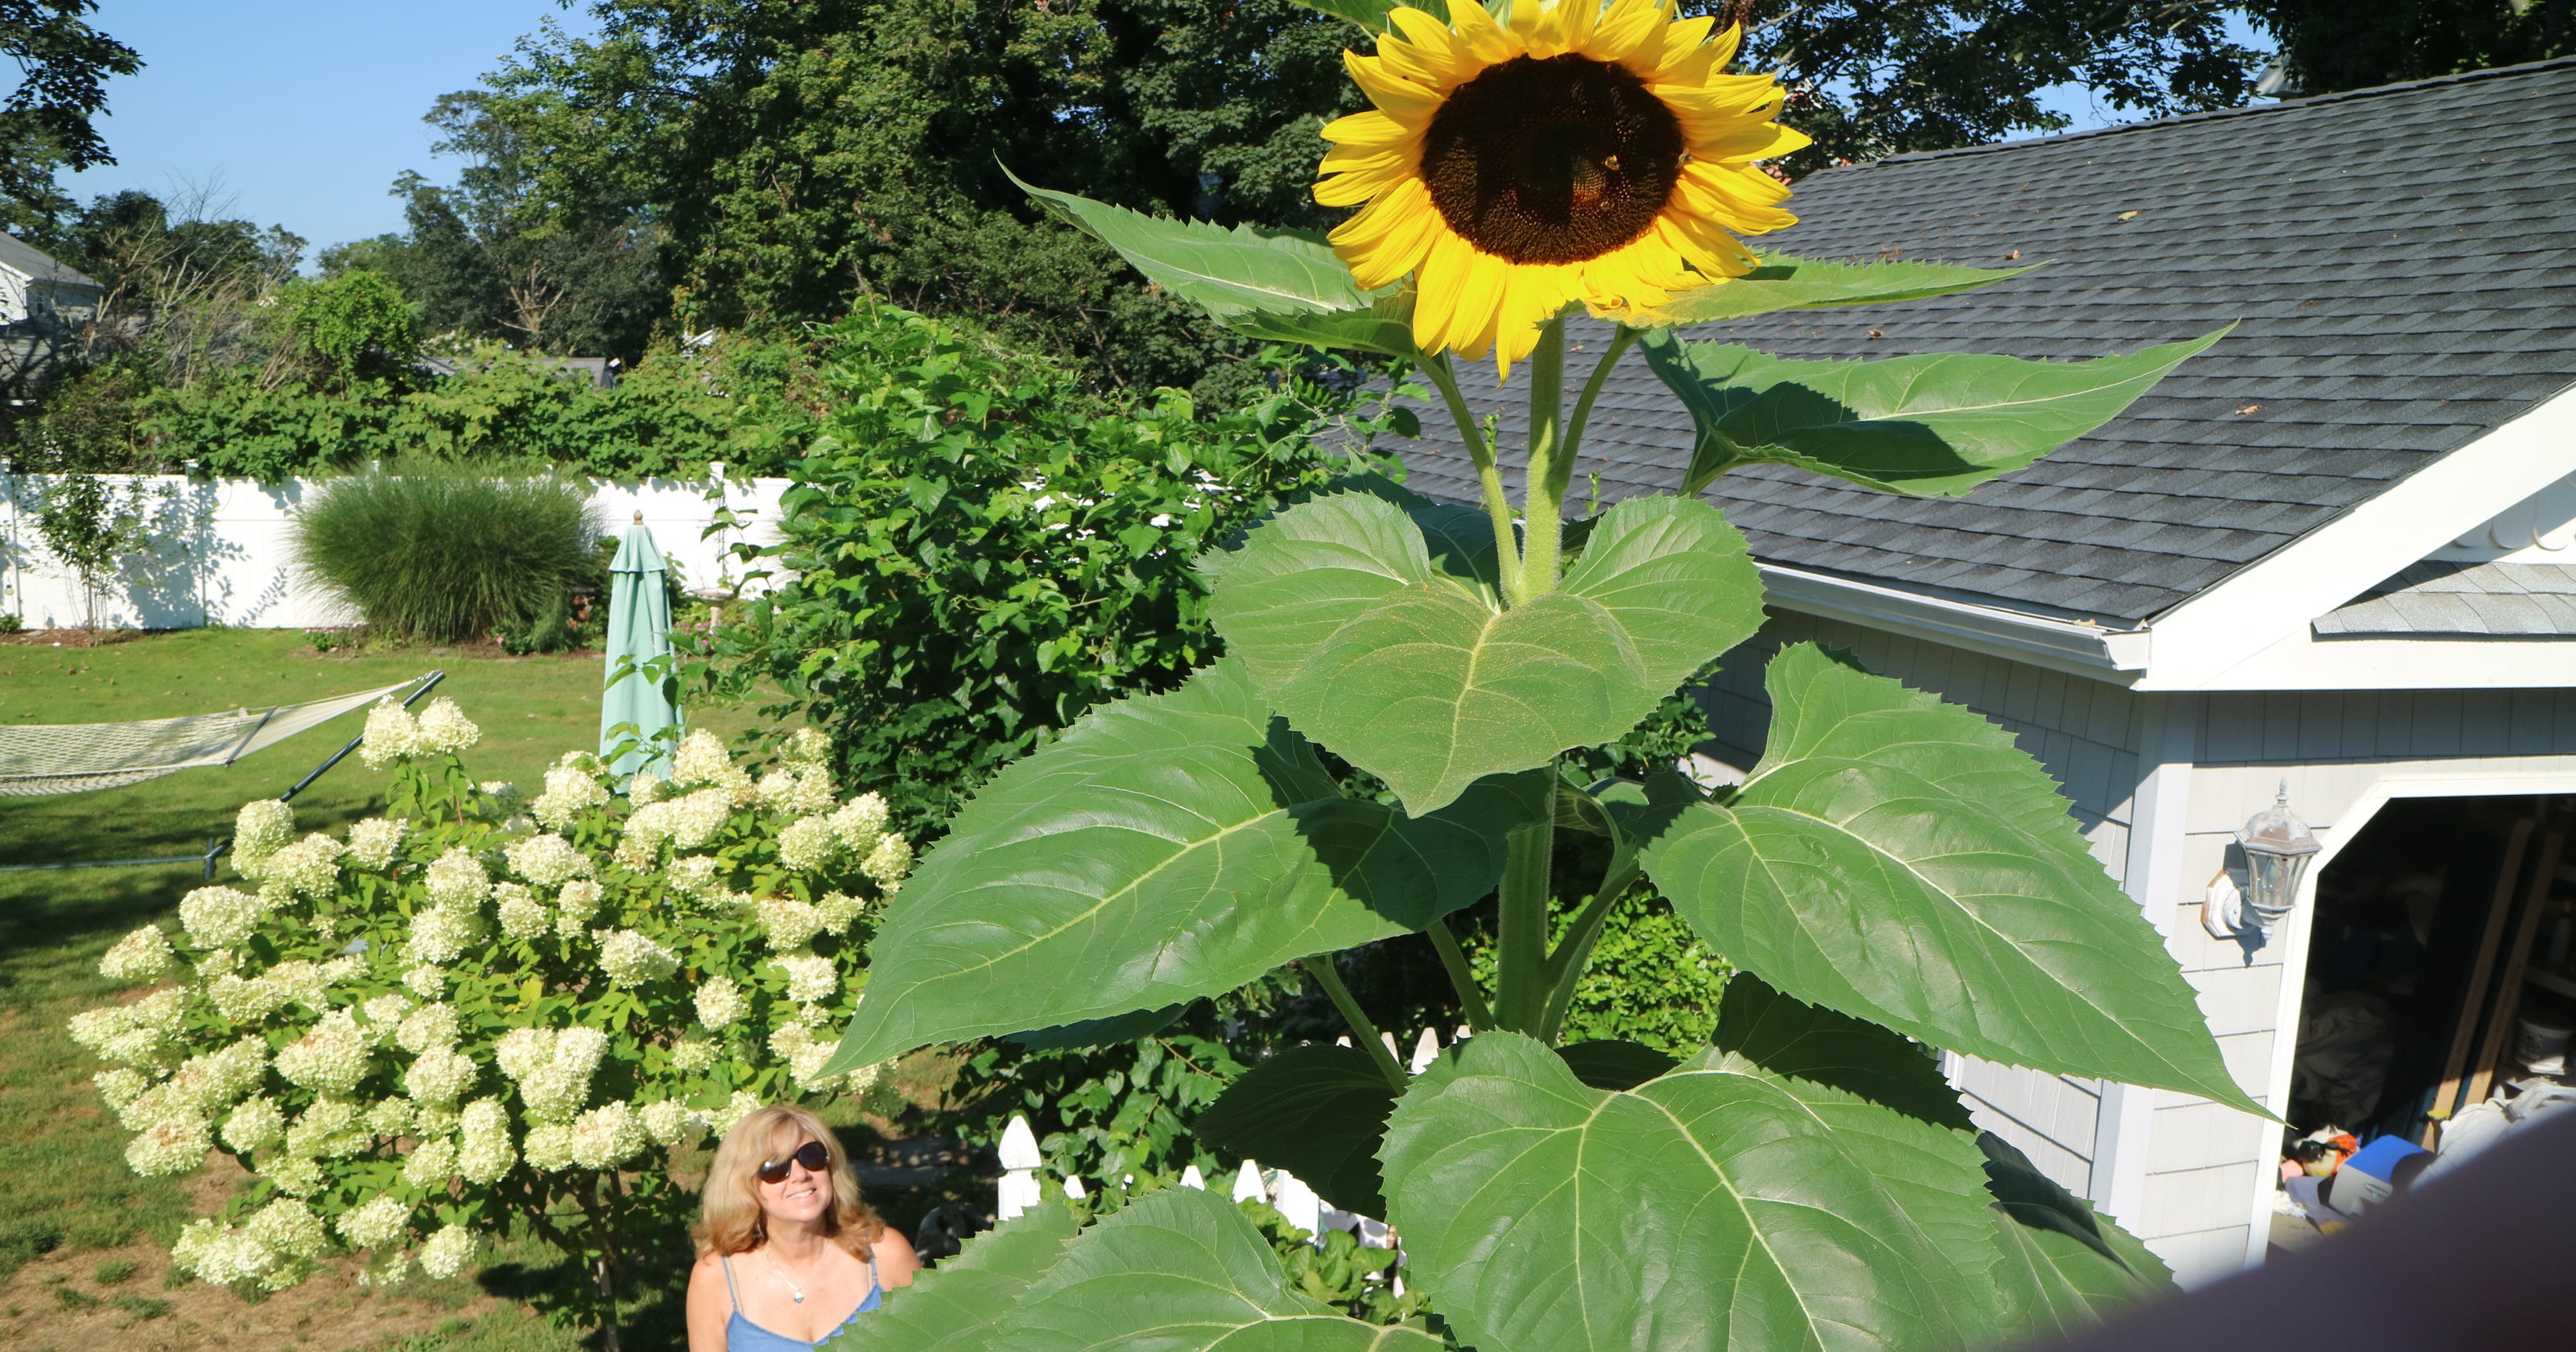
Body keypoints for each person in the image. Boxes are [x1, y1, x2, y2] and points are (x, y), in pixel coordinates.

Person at [687, 1104, 919, 1351]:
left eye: (812, 1156)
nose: (800, 1174)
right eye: (776, 1167)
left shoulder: (885, 1255)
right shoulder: (714, 1278)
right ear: (745, 1186)